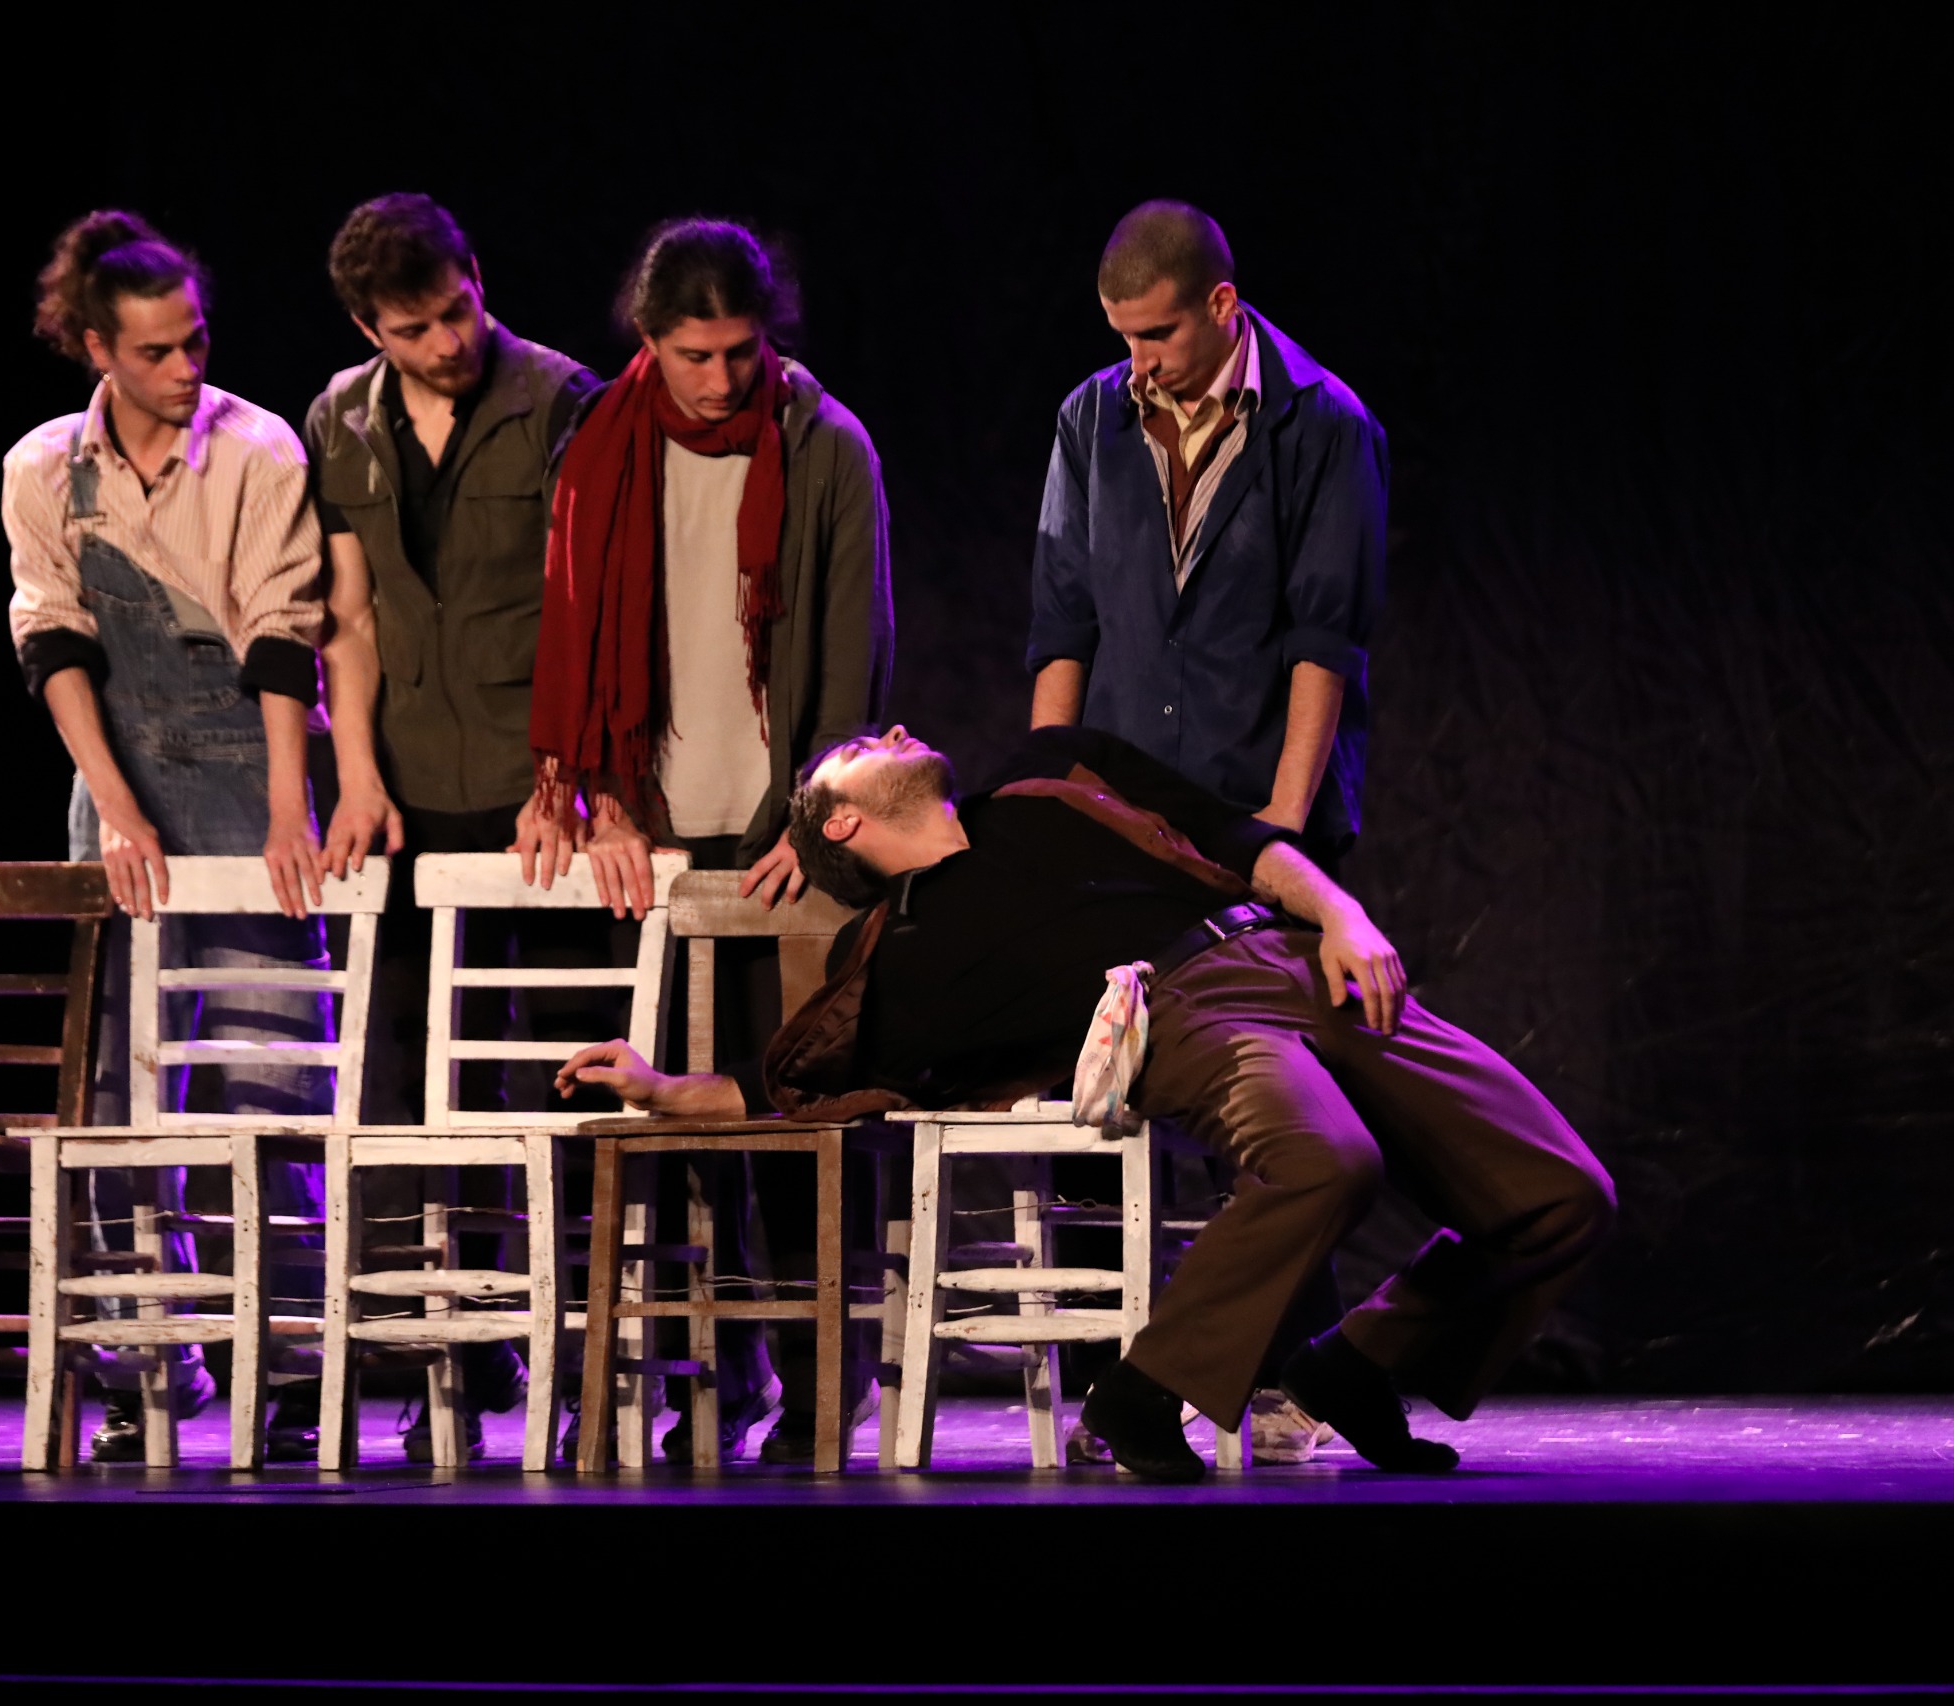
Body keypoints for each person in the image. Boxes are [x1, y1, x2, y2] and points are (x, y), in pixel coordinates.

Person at [558, 724, 1615, 1482]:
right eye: (865, 744)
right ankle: (1139, 1393)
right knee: (1324, 1157)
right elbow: (790, 1084)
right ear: (842, 817)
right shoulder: (892, 963)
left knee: (1561, 1194)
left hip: (1292, 954)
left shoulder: (1049, 773)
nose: (896, 726)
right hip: (1175, 1011)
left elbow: (1234, 836)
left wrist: (1342, 915)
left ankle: (1356, 1360)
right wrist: (656, 1084)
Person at [530, 217, 895, 1463]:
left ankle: (822, 1380)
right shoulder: (600, 443)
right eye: (695, 354)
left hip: (783, 837)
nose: (721, 377)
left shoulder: (823, 444)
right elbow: (572, 630)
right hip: (653, 833)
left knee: (793, 1112)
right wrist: (602, 798)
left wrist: (816, 814)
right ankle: (718, 1374)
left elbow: (852, 651)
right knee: (672, 1129)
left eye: (741, 350)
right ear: (648, 340)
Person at [2, 210, 333, 1462]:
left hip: (250, 765)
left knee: (270, 1075)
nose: (186, 366)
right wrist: (115, 803)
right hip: (120, 776)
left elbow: (282, 633)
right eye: (156, 350)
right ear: (97, 347)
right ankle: (145, 1360)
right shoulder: (44, 466)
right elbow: (53, 639)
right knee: (117, 1090)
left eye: (195, 340)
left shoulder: (257, 447)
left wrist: (287, 808)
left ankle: (291, 1364)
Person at [303, 192, 603, 1460]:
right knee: (419, 1083)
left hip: (535, 784)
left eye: (458, 310)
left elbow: (589, 599)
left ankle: (589, 1350)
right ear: (369, 329)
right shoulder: (338, 419)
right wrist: (355, 775)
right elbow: (348, 613)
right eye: (416, 328)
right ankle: (458, 1358)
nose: (449, 342)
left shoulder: (558, 398)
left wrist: (563, 771)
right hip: (412, 787)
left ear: (477, 277)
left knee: (571, 1069)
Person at [1027, 200, 1387, 866]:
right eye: (1124, 338)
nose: (1139, 363)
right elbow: (1063, 624)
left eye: (1157, 334)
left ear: (1221, 303)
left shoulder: (1326, 425)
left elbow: (1326, 637)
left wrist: (1281, 821)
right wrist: (1046, 796)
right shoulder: (1089, 418)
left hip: (1253, 815)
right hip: (1119, 816)